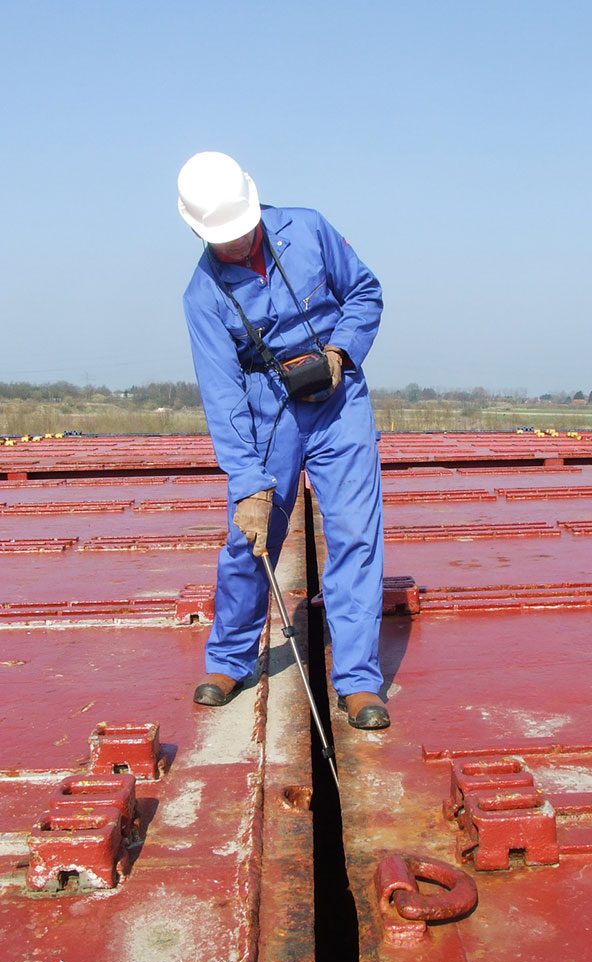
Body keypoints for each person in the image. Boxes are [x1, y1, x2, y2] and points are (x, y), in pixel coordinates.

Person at [177, 151, 389, 730]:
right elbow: (222, 396)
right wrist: (247, 483)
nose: (237, 245)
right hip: (270, 412)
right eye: (223, 239)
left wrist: (340, 351)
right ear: (198, 230)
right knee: (252, 536)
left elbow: (366, 293)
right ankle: (229, 659)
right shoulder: (203, 296)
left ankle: (358, 680)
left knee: (354, 533)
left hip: (339, 397)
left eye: (242, 231)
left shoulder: (310, 227)